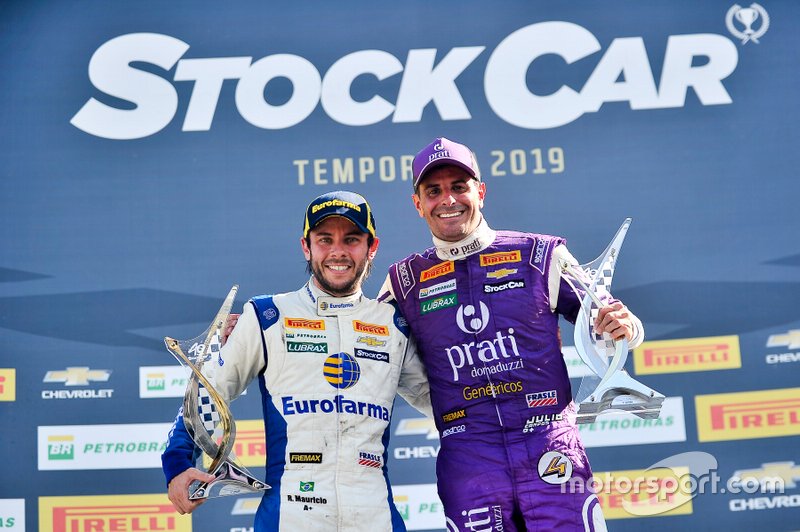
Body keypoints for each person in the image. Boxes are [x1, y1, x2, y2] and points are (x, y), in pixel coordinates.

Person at [379, 137, 645, 531]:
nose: (448, 199)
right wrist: (439, 408)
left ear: (480, 192)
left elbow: (612, 324)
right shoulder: (404, 281)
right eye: (433, 191)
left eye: (459, 186)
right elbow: (373, 354)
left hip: (550, 444)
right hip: (469, 456)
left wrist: (625, 328)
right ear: (418, 204)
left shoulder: (539, 254)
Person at [162, 191, 431, 531]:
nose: (338, 251)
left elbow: (441, 404)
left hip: (374, 515)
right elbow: (208, 392)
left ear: (371, 246)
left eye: (351, 239)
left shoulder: (393, 325)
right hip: (289, 515)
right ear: (306, 246)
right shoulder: (268, 315)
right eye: (324, 239)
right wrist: (177, 464)